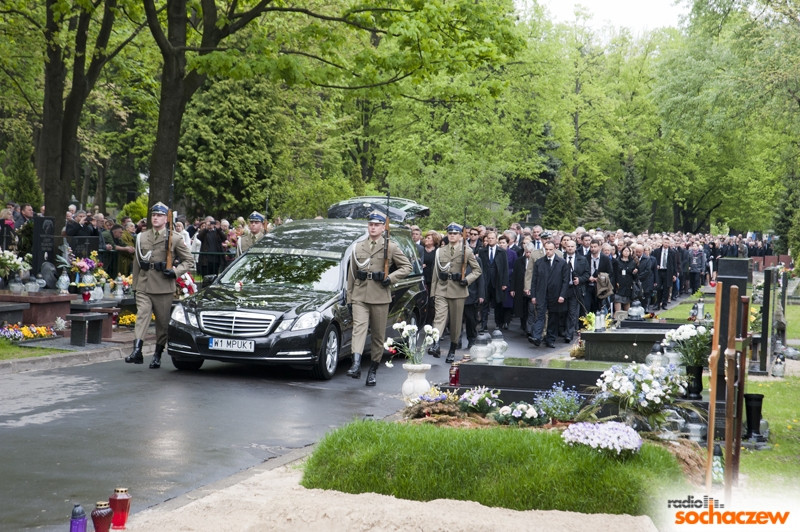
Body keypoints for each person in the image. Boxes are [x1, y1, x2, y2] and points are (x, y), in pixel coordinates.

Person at [345, 211, 412, 386]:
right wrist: (350, 298)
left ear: (383, 227)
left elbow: (407, 267)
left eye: (376, 225)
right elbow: (351, 274)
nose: (373, 227)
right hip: (360, 295)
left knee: (377, 335)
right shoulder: (358, 247)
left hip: (380, 296)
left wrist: (389, 278)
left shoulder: (390, 246)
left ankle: (373, 370)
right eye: (370, 224)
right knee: (358, 329)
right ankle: (356, 364)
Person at [125, 202, 195, 369]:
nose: (155, 218)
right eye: (153, 215)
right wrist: (135, 285)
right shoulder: (142, 236)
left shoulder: (175, 238)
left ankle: (157, 354)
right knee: (142, 315)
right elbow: (137, 262)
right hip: (144, 283)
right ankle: (137, 351)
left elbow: (189, 261)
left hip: (163, 286)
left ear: (166, 218)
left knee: (162, 324)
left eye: (159, 215)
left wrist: (175, 272)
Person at [429, 222, 482, 362]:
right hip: (442, 288)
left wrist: (467, 280)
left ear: (460, 236)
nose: (452, 236)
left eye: (455, 233)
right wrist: (433, 293)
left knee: (456, 322)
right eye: (450, 233)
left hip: (458, 290)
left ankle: (452, 349)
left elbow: (477, 270)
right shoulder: (440, 251)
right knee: (439, 317)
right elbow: (435, 273)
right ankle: (435, 344)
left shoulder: (467, 250)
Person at [529, 241, 569, 348]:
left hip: (555, 295)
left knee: (553, 317)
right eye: (546, 249)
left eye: (550, 249)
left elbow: (566, 281)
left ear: (555, 249)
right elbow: (534, 280)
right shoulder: (539, 262)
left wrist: (562, 295)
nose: (548, 251)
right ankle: (537, 337)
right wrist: (533, 295)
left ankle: (550, 339)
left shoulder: (562, 263)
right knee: (540, 315)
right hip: (541, 293)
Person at [477, 230, 508, 331]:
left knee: (498, 303)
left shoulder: (502, 252)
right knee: (484, 303)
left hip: (497, 281)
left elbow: (505, 268)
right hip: (485, 280)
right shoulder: (482, 251)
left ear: (496, 239)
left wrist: (504, 283)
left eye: (492, 238)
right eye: (488, 238)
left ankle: (498, 323)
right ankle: (483, 324)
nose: (490, 240)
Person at [562, 239, 589, 343]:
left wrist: (580, 280)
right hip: (562, 289)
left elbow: (587, 274)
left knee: (572, 312)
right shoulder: (561, 258)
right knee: (562, 311)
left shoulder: (582, 259)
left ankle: (569, 334)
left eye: (572, 246)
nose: (570, 248)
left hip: (575, 289)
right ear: (565, 247)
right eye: (568, 246)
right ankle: (561, 331)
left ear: (575, 247)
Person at [421, 230, 441, 326]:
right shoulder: (420, 249)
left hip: (432, 279)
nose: (426, 240)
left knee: (431, 302)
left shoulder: (438, 251)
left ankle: (430, 321)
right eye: (426, 238)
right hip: (422, 278)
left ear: (434, 240)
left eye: (429, 238)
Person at [613, 245, 637, 313]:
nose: (626, 252)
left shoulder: (632, 262)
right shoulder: (617, 261)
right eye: (625, 251)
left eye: (628, 251)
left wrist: (635, 273)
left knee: (627, 307)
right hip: (619, 286)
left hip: (628, 286)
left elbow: (635, 277)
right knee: (618, 305)